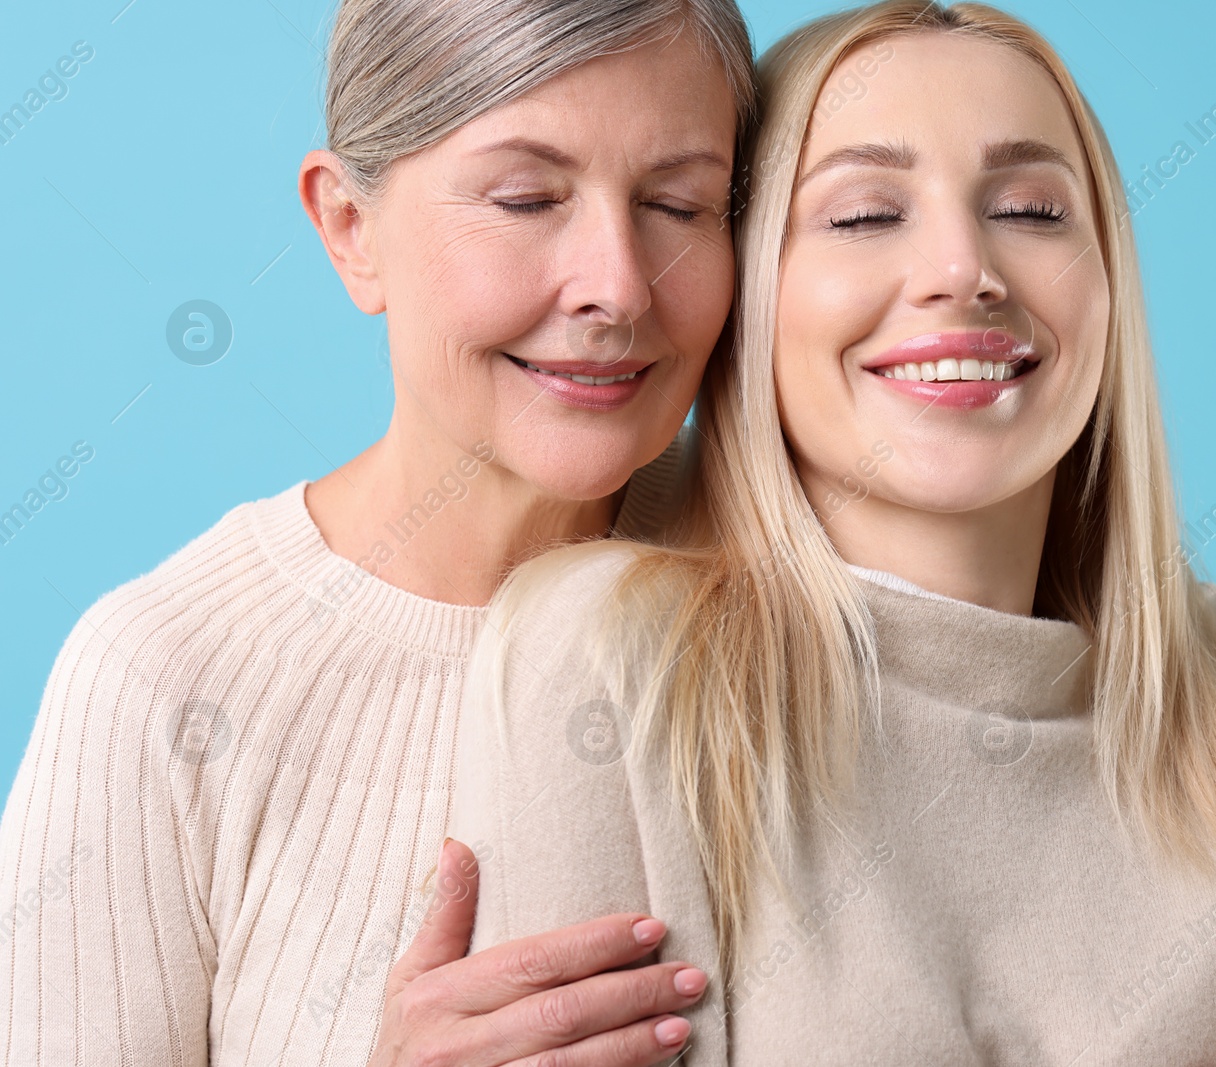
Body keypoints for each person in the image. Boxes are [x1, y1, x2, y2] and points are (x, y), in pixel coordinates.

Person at [447, 3, 1216, 1065]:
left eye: (1030, 212)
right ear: (749, 296)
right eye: (863, 213)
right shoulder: (607, 658)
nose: (962, 273)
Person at [0, 1, 755, 1063]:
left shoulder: (805, 593)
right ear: (351, 229)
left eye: (680, 203)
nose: (618, 287)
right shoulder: (163, 680)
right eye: (528, 197)